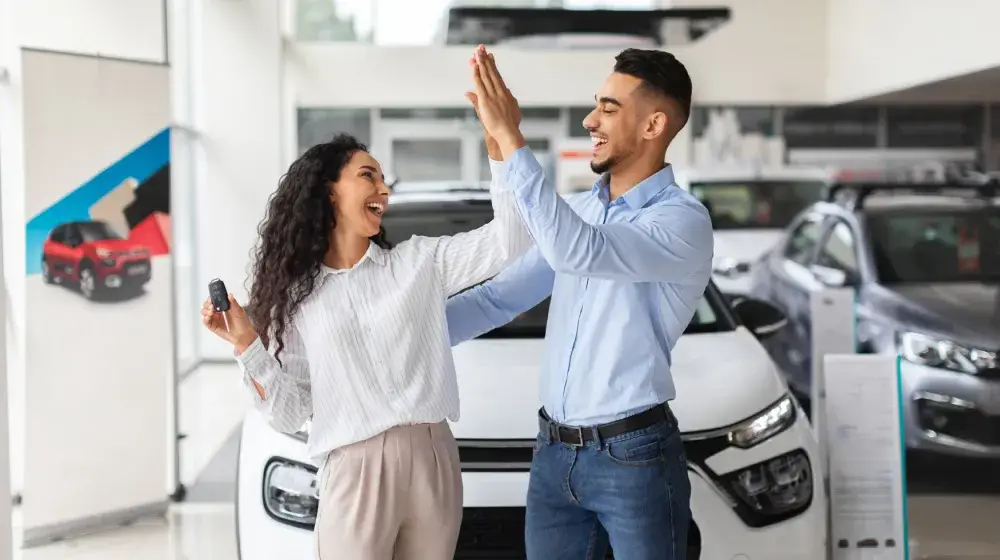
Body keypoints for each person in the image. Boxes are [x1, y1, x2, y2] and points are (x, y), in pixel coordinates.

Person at [200, 47, 531, 560]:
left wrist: (501, 142)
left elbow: (510, 238)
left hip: (433, 457)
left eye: (382, 179)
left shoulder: (419, 263)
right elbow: (290, 414)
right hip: (354, 468)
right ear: (329, 193)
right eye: (368, 176)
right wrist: (248, 345)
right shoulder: (297, 300)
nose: (384, 190)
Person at [447, 48, 714, 559]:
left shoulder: (682, 221)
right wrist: (382, 339)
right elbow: (497, 299)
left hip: (634, 457)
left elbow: (580, 249)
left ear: (654, 124)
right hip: (552, 455)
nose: (591, 120)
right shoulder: (581, 209)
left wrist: (512, 139)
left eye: (609, 108)